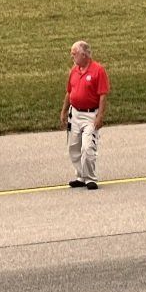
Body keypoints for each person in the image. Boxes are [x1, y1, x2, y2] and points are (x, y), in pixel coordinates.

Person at [60, 40, 108, 189]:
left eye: (74, 54)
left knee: (87, 147)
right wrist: (63, 111)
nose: (72, 57)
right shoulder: (74, 70)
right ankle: (81, 176)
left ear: (84, 54)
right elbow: (69, 92)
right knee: (73, 147)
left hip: (90, 115)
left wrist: (100, 116)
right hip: (74, 114)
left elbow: (103, 95)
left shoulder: (98, 70)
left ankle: (90, 178)